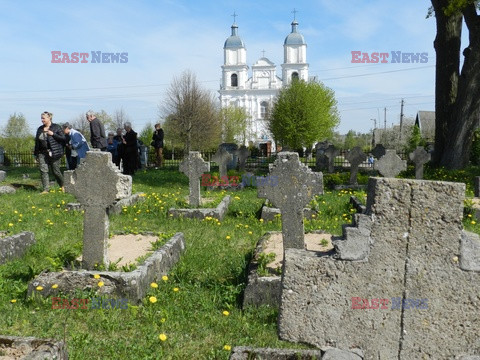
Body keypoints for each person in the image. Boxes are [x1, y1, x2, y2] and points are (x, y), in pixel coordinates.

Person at [33, 111, 65, 193]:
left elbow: (63, 139)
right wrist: (35, 154)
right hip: (42, 153)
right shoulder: (40, 129)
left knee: (56, 171)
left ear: (49, 118)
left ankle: (63, 185)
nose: (42, 120)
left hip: (54, 152)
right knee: (43, 170)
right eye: (41, 118)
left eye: (43, 118)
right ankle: (46, 189)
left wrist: (53, 134)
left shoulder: (56, 127)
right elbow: (37, 142)